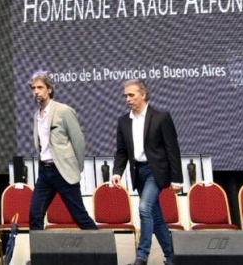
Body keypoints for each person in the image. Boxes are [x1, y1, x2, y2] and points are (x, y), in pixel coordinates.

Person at [112, 79, 182, 265]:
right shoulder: (123, 121)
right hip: (139, 173)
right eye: (125, 95)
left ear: (143, 95)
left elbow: (172, 150)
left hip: (156, 172)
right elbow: (121, 151)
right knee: (155, 215)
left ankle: (142, 256)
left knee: (144, 208)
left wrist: (177, 179)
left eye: (131, 95)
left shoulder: (161, 117)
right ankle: (171, 257)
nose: (128, 99)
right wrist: (117, 172)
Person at [27, 71, 97, 231]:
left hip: (63, 171)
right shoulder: (36, 115)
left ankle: (106, 253)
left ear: (49, 89)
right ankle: (39, 256)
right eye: (33, 88)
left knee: (80, 216)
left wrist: (75, 168)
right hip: (45, 172)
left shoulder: (63, 111)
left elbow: (78, 141)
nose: (36, 91)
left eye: (40, 87)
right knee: (35, 214)